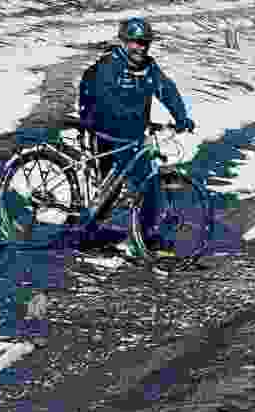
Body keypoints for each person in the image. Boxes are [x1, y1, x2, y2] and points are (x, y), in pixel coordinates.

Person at [78, 17, 197, 249]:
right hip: (105, 133)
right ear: (124, 42)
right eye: (136, 42)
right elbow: (104, 100)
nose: (141, 47)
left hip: (132, 136)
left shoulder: (149, 68)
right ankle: (87, 234)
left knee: (149, 186)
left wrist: (181, 117)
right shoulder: (109, 66)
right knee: (109, 189)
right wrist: (128, 119)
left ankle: (144, 236)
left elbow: (166, 89)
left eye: (145, 43)